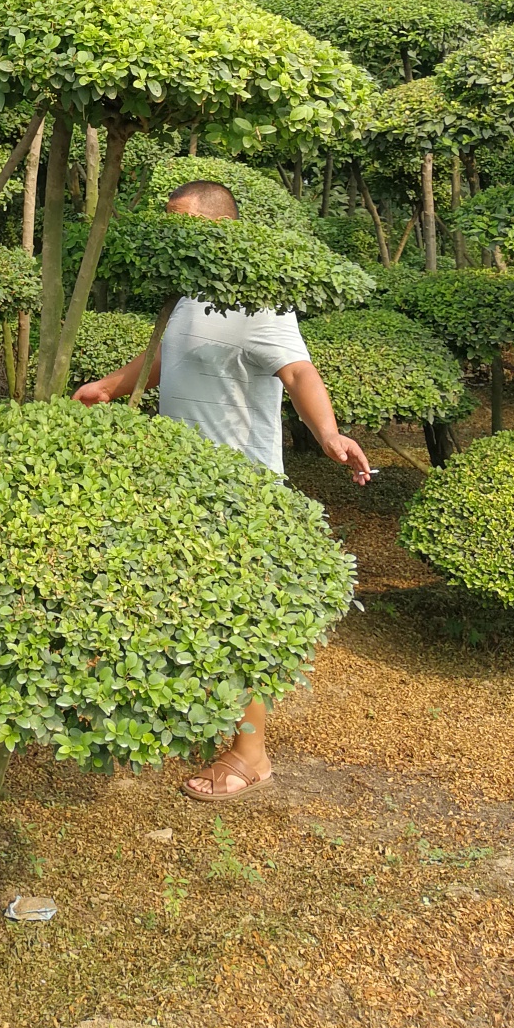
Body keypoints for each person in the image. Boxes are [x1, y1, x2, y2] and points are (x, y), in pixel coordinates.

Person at [72, 176, 370, 801]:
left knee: (240, 622)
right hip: (179, 483)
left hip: (241, 489)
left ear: (220, 224)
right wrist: (109, 386)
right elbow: (163, 361)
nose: (170, 232)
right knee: (185, 611)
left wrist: (329, 435)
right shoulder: (186, 297)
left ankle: (250, 754)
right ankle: (185, 721)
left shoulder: (259, 303)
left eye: (180, 220)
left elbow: (298, 371)